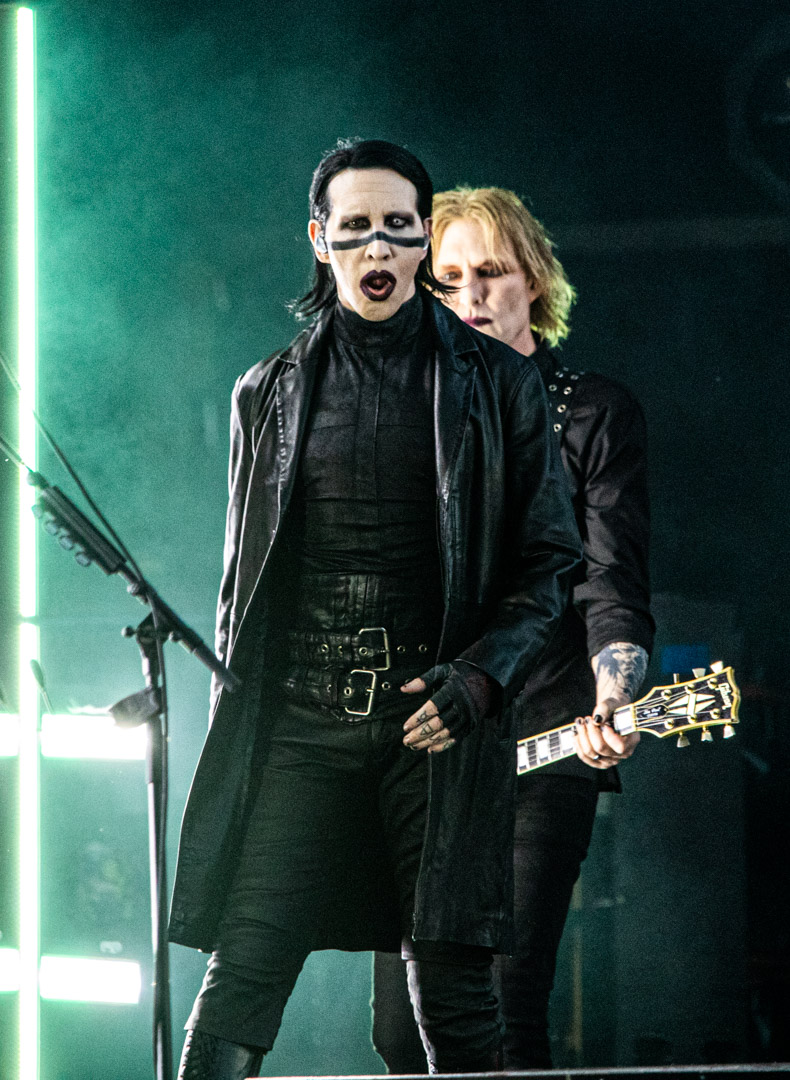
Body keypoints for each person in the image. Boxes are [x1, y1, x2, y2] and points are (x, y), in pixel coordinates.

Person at [168, 145, 582, 1079]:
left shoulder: (497, 382)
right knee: (243, 971)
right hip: (301, 725)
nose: (379, 247)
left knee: (454, 998)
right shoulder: (266, 391)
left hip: (432, 725)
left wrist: (479, 678)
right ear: (322, 241)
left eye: (399, 226)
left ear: (423, 239)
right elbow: (243, 586)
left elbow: (552, 558)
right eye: (355, 228)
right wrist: (242, 719)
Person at [371, 186, 654, 1072]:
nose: (471, 296)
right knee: (400, 1035)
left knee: (499, 1006)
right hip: (422, 755)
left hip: (544, 738)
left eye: (491, 273)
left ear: (533, 280)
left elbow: (610, 578)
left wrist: (615, 693)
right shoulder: (401, 414)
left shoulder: (593, 413)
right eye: (447, 279)